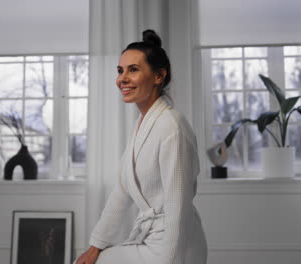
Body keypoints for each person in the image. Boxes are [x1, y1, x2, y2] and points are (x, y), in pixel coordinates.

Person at [75, 29, 207, 264]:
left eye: (133, 70)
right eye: (120, 70)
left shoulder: (172, 126)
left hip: (175, 246)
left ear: (159, 76)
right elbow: (122, 191)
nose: (122, 79)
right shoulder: (145, 124)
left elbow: (178, 208)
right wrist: (95, 247)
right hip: (152, 240)